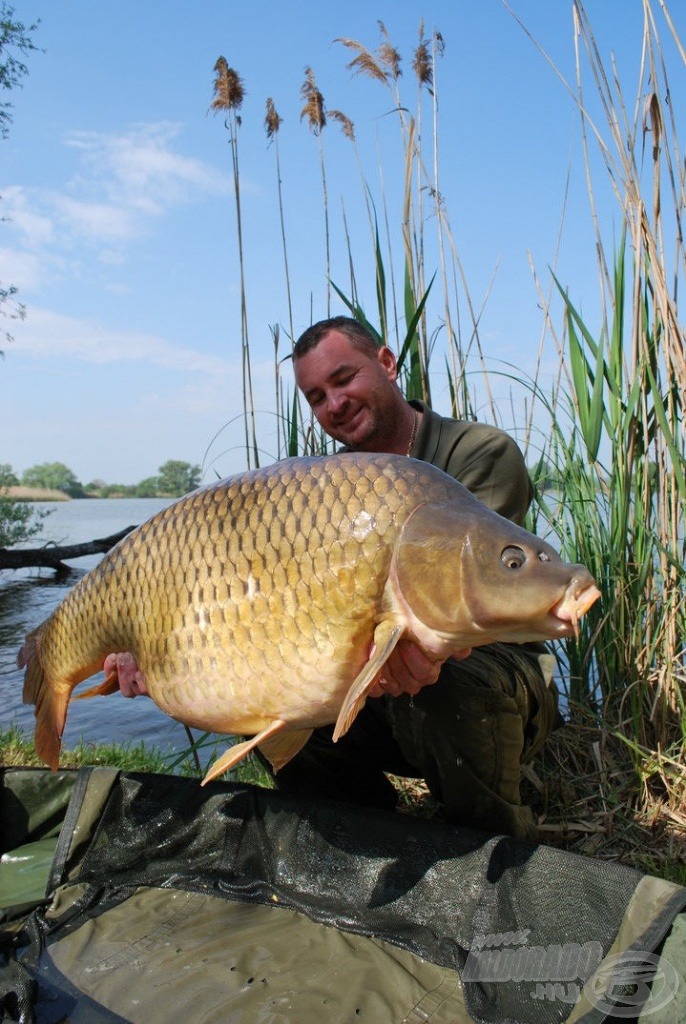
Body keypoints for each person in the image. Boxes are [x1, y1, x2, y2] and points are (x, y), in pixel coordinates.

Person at [273, 314, 559, 841]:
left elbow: (468, 604)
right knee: (276, 702)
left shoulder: (478, 452)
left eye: (343, 379)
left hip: (489, 670)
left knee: (448, 678)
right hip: (378, 672)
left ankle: (492, 849)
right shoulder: (324, 492)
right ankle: (368, 834)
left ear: (386, 362)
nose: (333, 404)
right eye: (315, 397)